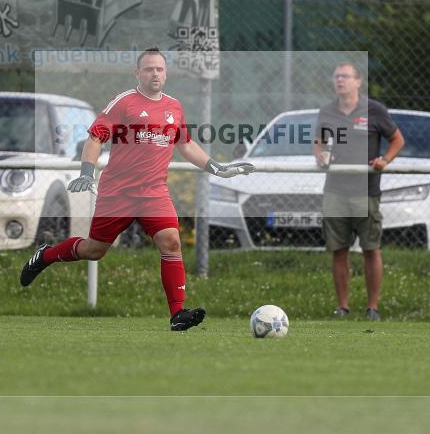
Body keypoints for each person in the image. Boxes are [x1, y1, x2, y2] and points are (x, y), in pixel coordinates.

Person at [19, 48, 255, 331]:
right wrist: (86, 171)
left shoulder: (174, 106)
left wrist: (219, 168)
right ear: (138, 73)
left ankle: (177, 314)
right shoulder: (125, 103)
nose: (155, 74)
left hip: (154, 192)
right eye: (149, 69)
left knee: (171, 242)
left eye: (159, 69)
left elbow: (186, 145)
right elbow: (96, 138)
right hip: (118, 193)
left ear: (165, 74)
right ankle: (45, 255)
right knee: (95, 250)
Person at [314, 62, 404, 321]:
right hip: (335, 190)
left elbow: (398, 139)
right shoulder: (327, 111)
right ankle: (342, 307)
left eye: (345, 76)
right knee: (339, 250)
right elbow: (318, 142)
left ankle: (372, 308)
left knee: (370, 248)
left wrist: (384, 160)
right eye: (336, 76)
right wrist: (320, 156)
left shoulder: (374, 110)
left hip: (366, 191)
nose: (340, 80)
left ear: (358, 81)